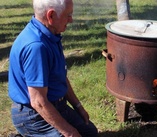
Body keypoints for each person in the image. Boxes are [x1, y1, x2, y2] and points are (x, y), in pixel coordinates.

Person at [8, 0, 98, 136]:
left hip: (57, 105)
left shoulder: (51, 35)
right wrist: (69, 132)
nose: (71, 20)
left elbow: (60, 76)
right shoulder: (36, 47)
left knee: (90, 132)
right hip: (33, 116)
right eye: (68, 15)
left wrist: (78, 107)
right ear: (51, 16)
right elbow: (38, 102)